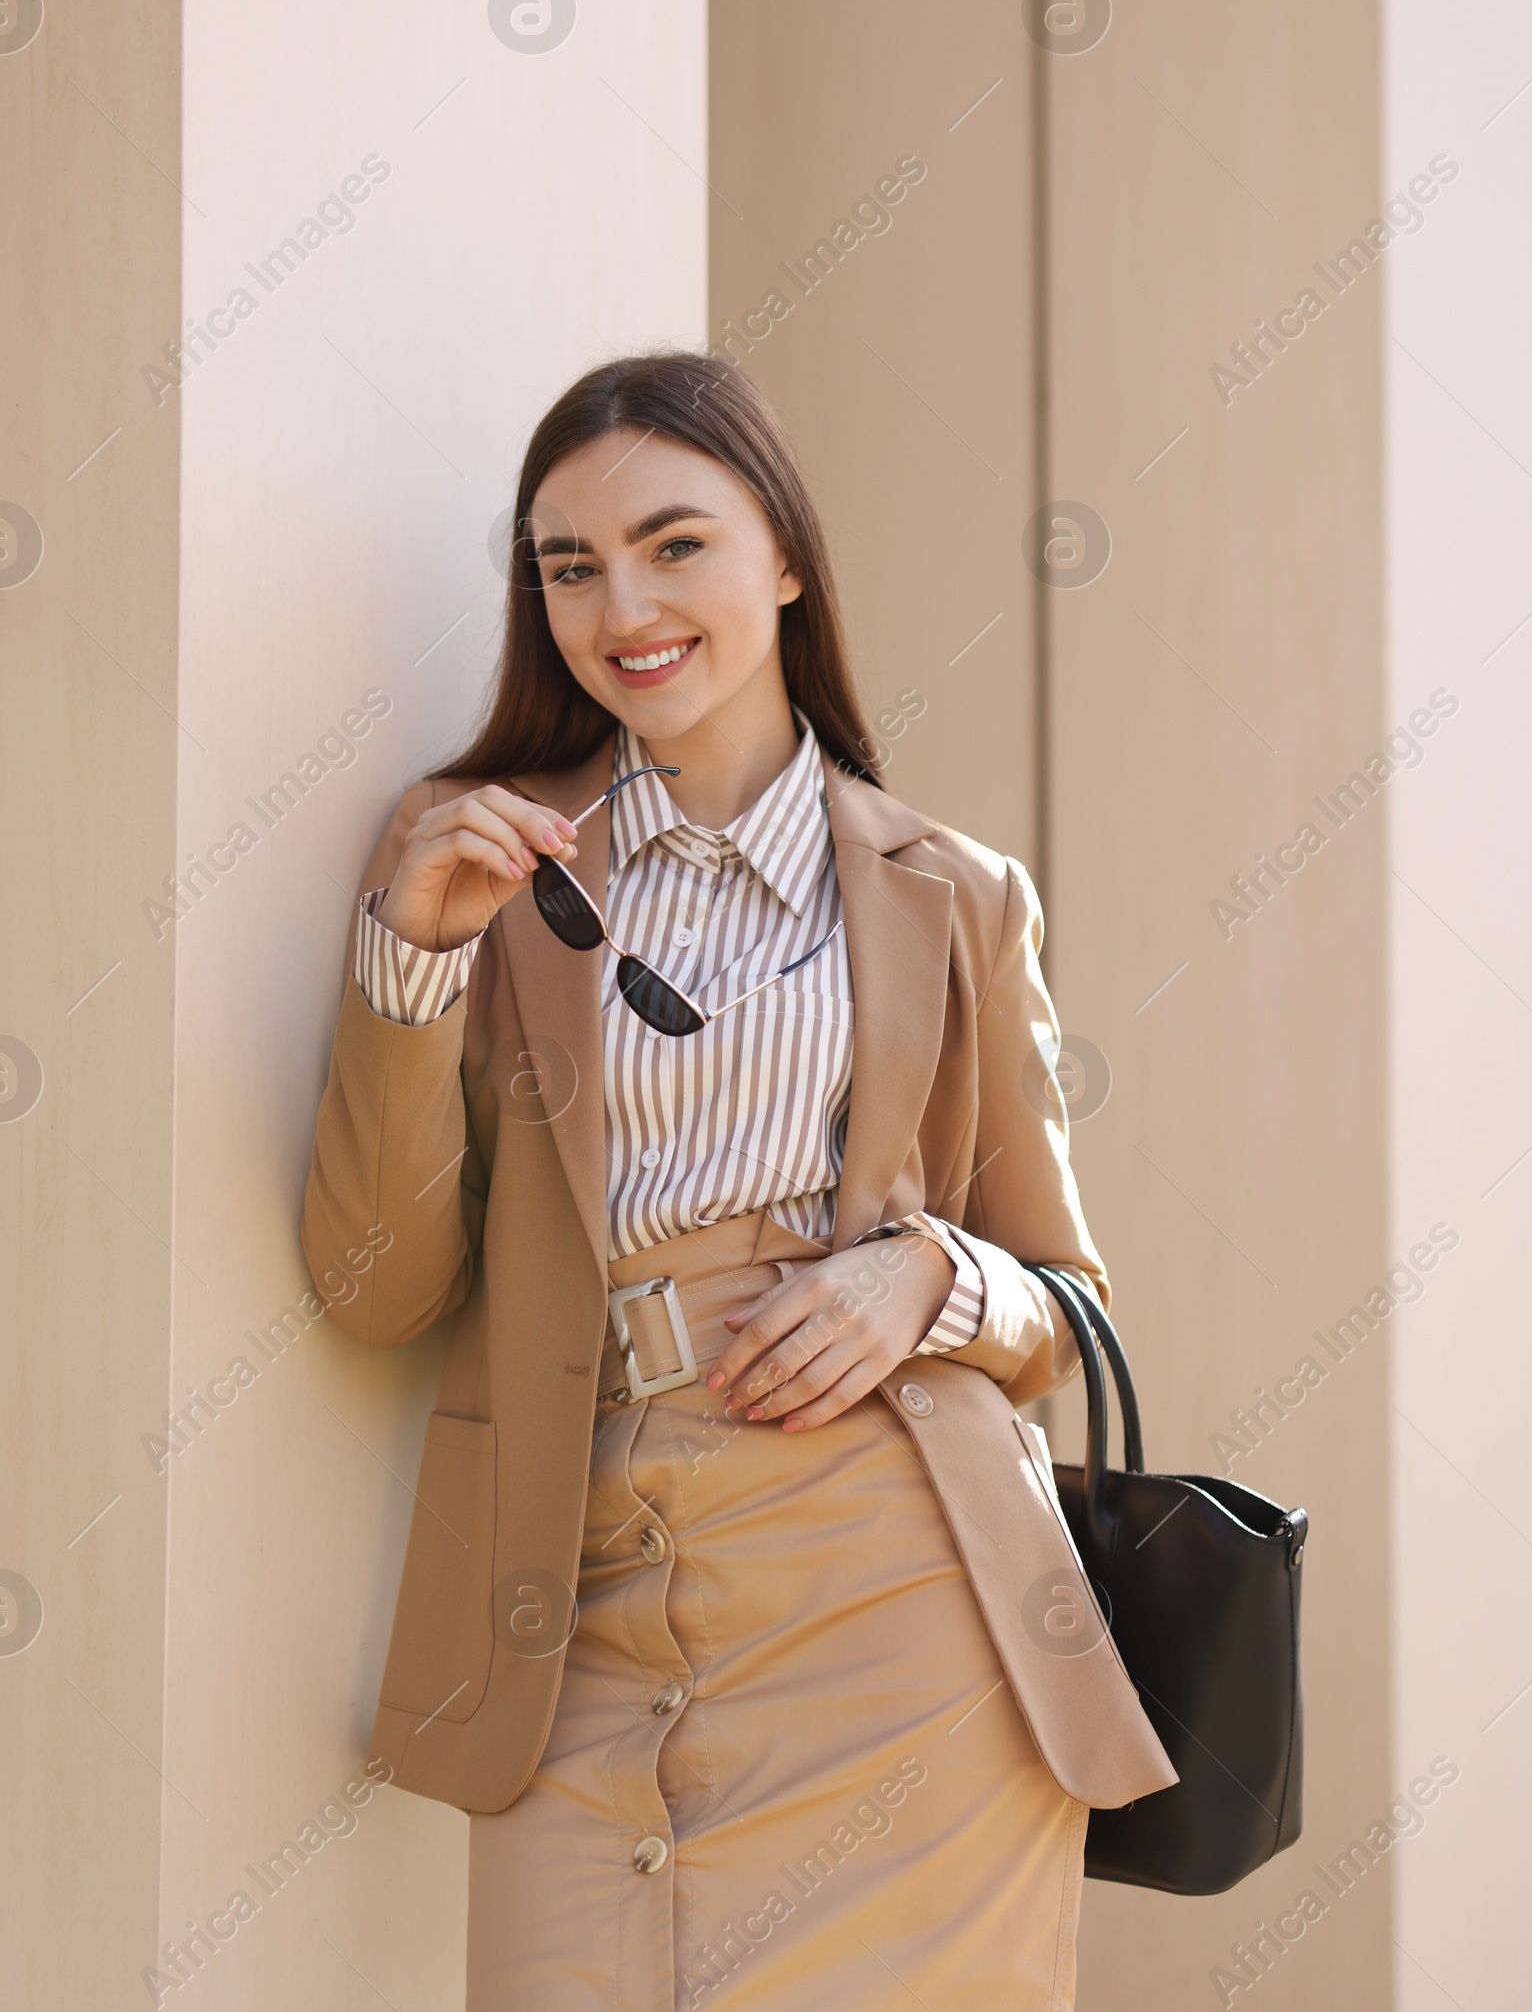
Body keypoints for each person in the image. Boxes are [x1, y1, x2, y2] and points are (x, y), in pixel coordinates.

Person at [302, 351, 1173, 2011]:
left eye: (673, 542)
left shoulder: (953, 898)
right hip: (572, 1600)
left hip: (901, 1604)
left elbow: (1065, 1309)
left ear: (784, 555)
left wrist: (926, 1271)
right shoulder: (469, 854)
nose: (620, 601)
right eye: (569, 563)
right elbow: (374, 1288)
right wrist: (411, 971)